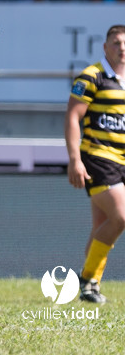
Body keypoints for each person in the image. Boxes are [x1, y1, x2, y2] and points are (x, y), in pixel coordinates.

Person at [65, 24, 125, 304]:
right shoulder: (92, 77)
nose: (121, 48)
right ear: (105, 47)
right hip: (98, 158)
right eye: (115, 42)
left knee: (103, 223)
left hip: (121, 160)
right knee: (121, 217)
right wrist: (74, 159)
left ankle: (89, 286)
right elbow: (72, 117)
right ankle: (88, 278)